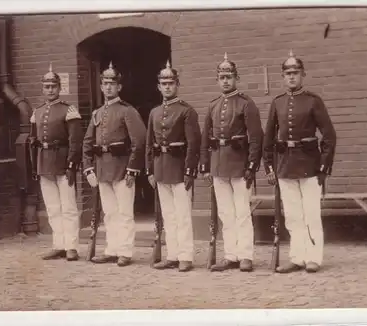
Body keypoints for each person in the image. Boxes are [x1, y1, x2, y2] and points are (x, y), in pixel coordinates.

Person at [262, 50, 337, 273]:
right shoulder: (277, 103)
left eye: (295, 72)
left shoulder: (314, 101)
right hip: (285, 166)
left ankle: (313, 257)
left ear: (303, 74)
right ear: (283, 77)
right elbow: (268, 138)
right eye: (288, 73)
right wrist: (269, 166)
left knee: (311, 214)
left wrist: (323, 166)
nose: (292, 77)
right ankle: (297, 257)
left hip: (310, 166)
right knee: (293, 216)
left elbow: (329, 136)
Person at [199, 53, 263, 272]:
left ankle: (245, 255)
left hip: (239, 165)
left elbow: (256, 138)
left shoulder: (246, 104)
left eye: (229, 77)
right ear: (217, 80)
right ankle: (231, 255)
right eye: (222, 77)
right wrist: (205, 165)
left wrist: (252, 166)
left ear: (237, 78)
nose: (225, 81)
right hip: (218, 165)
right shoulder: (213, 105)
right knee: (225, 213)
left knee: (242, 212)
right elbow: (205, 138)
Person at [82, 62, 146, 267]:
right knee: (109, 212)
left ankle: (125, 251)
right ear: (101, 87)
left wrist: (132, 169)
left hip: (122, 168)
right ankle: (112, 249)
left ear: (119, 87)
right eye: (105, 83)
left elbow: (139, 141)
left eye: (112, 83)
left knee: (125, 212)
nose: (108, 87)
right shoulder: (97, 113)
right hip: (102, 168)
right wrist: (88, 167)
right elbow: (87, 142)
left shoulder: (127, 111)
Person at [145, 61, 202, 272]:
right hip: (161, 168)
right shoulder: (154, 112)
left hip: (179, 169)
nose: (167, 87)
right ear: (158, 86)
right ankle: (173, 255)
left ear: (177, 84)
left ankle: (185, 256)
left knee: (183, 215)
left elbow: (193, 143)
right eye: (163, 83)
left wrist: (189, 170)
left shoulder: (186, 111)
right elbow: (149, 144)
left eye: (171, 83)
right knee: (168, 215)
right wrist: (150, 170)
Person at [29, 63, 83, 261]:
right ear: (42, 88)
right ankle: (58, 244)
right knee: (53, 208)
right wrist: (35, 166)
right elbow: (32, 142)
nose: (50, 90)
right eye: (46, 86)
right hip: (45, 164)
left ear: (59, 88)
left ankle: (71, 247)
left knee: (68, 207)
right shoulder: (37, 112)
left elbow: (75, 141)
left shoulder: (68, 110)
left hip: (63, 163)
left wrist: (71, 164)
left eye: (53, 86)